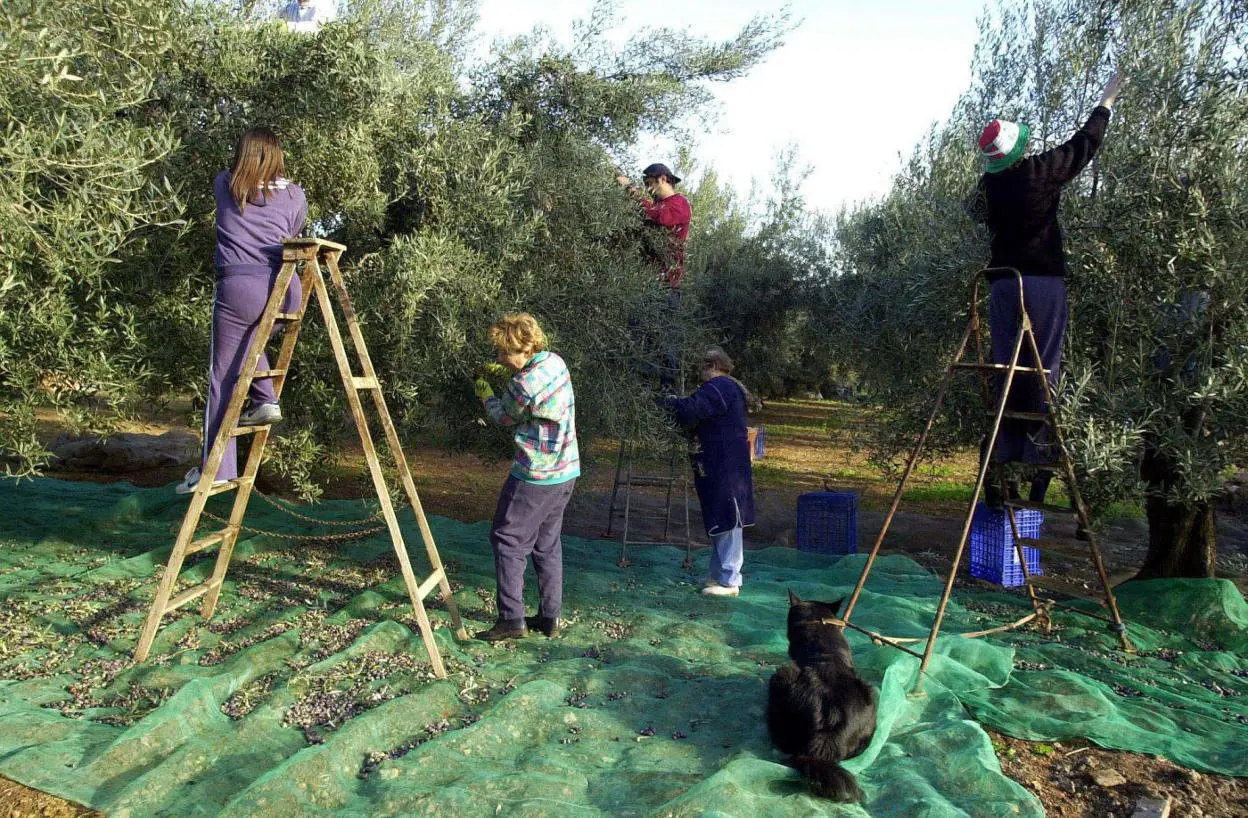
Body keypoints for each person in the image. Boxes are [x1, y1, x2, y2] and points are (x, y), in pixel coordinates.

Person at [971, 70, 1127, 505]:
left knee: (1008, 365)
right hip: (1041, 284)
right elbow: (1084, 145)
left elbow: (973, 211)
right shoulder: (1040, 172)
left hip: (1002, 284)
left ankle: (1004, 448)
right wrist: (1107, 101)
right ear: (1021, 149)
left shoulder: (990, 185)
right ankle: (1038, 457)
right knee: (1045, 366)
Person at [177, 127, 307, 495]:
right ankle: (265, 399)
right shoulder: (295, 193)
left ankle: (216, 469)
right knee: (253, 341)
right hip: (285, 289)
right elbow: (292, 227)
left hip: (240, 287)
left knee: (223, 378)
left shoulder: (226, 184)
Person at [473, 313, 580, 641]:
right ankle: (550, 617)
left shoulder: (522, 384)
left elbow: (501, 416)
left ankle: (511, 619)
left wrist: (484, 392)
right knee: (547, 544)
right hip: (566, 472)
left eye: (501, 353)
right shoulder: (555, 362)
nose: (498, 359)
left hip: (535, 476)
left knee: (507, 540)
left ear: (515, 349)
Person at [659, 347, 756, 597]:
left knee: (728, 518)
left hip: (725, 465)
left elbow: (691, 409)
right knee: (721, 519)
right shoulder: (728, 388)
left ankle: (730, 580)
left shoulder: (720, 387)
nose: (698, 372)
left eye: (701, 366)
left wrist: (668, 401)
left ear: (711, 364)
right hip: (723, 463)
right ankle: (718, 575)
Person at [617, 163, 692, 389]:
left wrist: (630, 190)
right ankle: (644, 394)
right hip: (647, 285)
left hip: (667, 287)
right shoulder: (656, 205)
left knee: (666, 344)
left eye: (649, 184)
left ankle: (667, 397)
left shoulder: (678, 204)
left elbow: (658, 217)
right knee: (641, 341)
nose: (648, 190)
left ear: (662, 179)